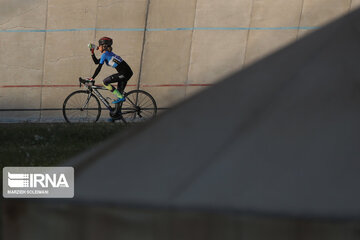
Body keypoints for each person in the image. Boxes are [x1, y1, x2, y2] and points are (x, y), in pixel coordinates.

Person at [88, 37, 133, 104]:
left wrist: (92, 77)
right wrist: (92, 53)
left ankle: (121, 97)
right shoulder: (108, 54)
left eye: (99, 45)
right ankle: (117, 112)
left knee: (105, 82)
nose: (98, 47)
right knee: (119, 94)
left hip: (124, 73)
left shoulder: (105, 55)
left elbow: (99, 68)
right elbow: (96, 62)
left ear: (104, 46)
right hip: (127, 72)